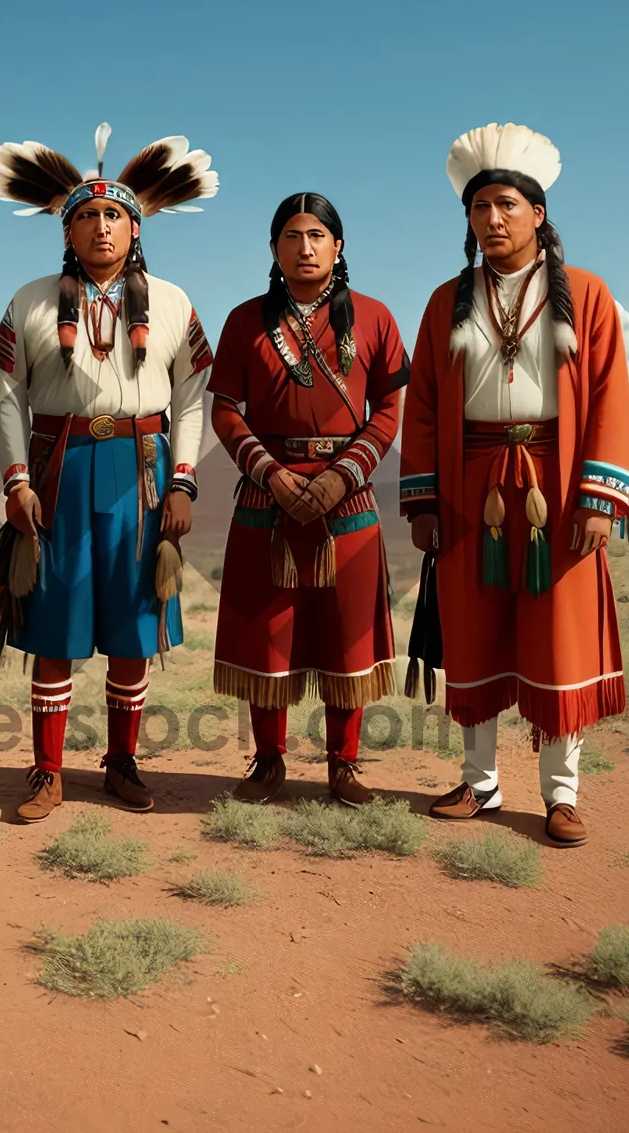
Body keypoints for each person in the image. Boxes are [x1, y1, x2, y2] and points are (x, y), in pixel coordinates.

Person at [0, 124, 216, 822]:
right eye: (86, 215)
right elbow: (9, 399)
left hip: (143, 472)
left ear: (136, 229)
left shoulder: (172, 302)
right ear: (66, 229)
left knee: (132, 622)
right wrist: (16, 481)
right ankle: (47, 770)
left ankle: (120, 763)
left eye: (114, 215)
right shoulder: (30, 300)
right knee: (55, 619)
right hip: (59, 470)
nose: (100, 226)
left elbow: (194, 398)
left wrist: (183, 482)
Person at [400, 122, 629, 846]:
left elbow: (609, 394)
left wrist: (599, 500)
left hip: (557, 486)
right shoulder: (446, 302)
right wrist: (424, 502)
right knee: (474, 633)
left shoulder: (587, 296)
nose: (492, 220)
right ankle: (480, 786)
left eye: (506, 205)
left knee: (557, 637)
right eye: (479, 208)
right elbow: (426, 405)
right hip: (472, 487)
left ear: (538, 214)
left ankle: (561, 794)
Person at [208, 193, 408, 805]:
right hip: (266, 496)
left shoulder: (374, 317)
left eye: (317, 234)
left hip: (347, 497)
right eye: (291, 236)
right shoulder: (245, 321)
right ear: (274, 249)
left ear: (338, 246)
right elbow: (224, 410)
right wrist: (269, 472)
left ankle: (344, 764)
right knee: (269, 634)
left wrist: (342, 474)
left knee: (344, 633)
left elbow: (391, 409)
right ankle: (268, 761)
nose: (305, 246)